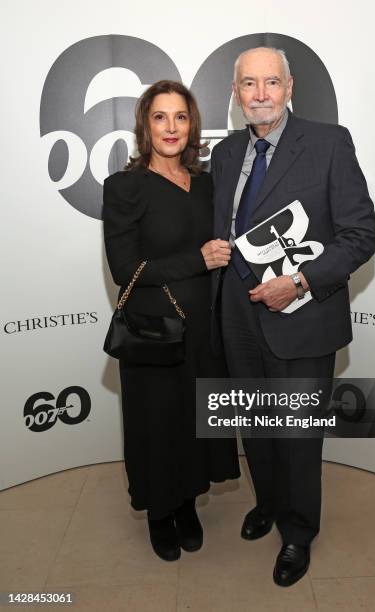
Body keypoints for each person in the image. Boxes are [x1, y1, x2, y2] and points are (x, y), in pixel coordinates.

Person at [210, 48, 375, 587]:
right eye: (249, 84)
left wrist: (300, 282)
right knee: (257, 429)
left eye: (271, 83)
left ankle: (299, 532)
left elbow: (361, 234)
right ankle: (270, 504)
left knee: (299, 436)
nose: (260, 94)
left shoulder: (330, 143)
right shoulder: (226, 152)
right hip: (238, 315)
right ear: (236, 93)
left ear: (290, 87)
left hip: (303, 315)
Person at [103, 80, 240, 562]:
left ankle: (186, 503)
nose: (171, 127)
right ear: (145, 125)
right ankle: (160, 512)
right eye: (160, 117)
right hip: (153, 332)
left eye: (180, 117)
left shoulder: (207, 184)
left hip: (203, 327)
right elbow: (126, 269)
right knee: (156, 425)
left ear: (192, 125)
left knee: (195, 423)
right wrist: (196, 261)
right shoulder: (125, 187)